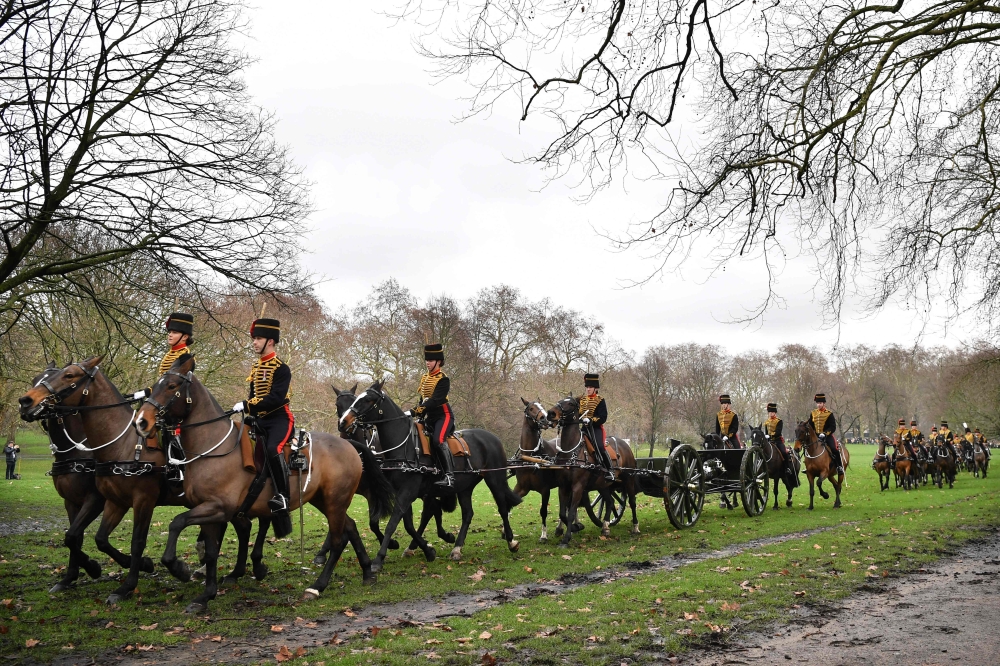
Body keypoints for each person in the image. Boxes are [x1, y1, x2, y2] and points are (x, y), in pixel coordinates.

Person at [233, 317, 293, 516]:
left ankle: (283, 496)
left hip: (279, 420)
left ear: (270, 341)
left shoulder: (281, 369)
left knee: (272, 448)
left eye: (258, 338)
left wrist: (247, 405)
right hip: (260, 420)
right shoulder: (256, 368)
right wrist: (249, 412)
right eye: (254, 338)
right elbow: (253, 396)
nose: (254, 342)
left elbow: (276, 398)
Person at [413, 343, 455, 488]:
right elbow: (422, 399)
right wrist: (416, 412)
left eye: (430, 360)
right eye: (426, 360)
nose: (427, 363)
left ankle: (449, 476)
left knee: (438, 440)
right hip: (429, 417)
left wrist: (418, 410)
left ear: (438, 361)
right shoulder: (424, 378)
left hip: (443, 416)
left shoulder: (443, 379)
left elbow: (436, 400)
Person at [579, 373, 614, 482]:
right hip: (584, 429)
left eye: (590, 387)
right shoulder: (582, 400)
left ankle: (610, 470)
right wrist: (580, 420)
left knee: (600, 447)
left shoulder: (600, 400)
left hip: (595, 429)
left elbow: (603, 417)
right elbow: (579, 414)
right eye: (587, 387)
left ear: (595, 388)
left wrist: (591, 420)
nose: (588, 389)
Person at [808, 393, 843, 474]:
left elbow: (833, 427)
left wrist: (825, 433)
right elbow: (810, 426)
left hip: (827, 436)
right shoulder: (813, 413)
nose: (818, 405)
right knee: (808, 448)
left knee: (834, 449)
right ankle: (808, 466)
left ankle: (839, 466)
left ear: (824, 403)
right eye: (817, 403)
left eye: (820, 403)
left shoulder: (829, 413)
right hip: (816, 437)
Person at [764, 402, 796, 484]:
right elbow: (766, 432)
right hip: (769, 442)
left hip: (777, 441)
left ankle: (787, 468)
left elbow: (778, 432)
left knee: (784, 452)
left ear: (775, 413)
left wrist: (770, 436)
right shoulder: (766, 422)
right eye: (770, 412)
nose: (771, 414)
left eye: (772, 412)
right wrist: (766, 436)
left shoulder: (779, 421)